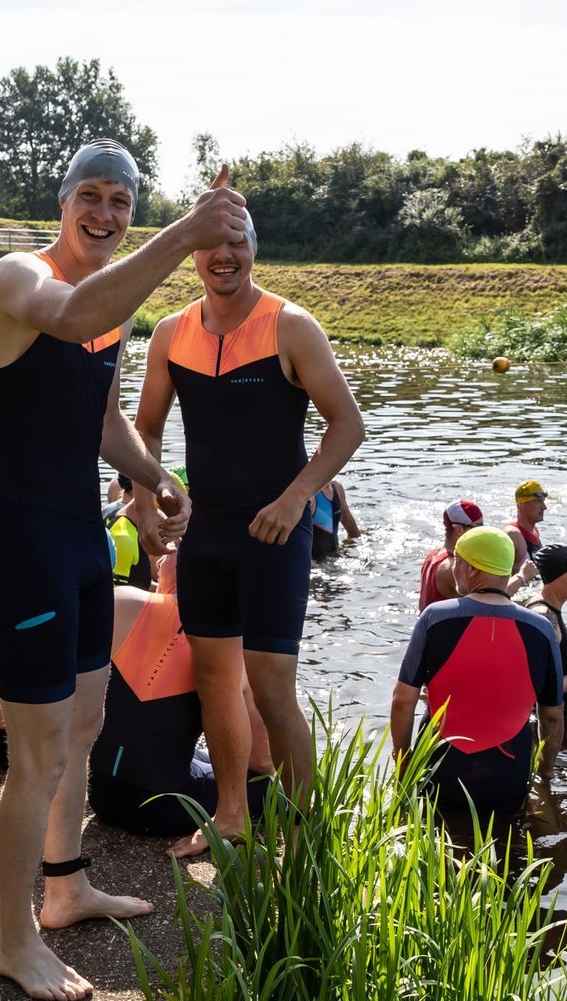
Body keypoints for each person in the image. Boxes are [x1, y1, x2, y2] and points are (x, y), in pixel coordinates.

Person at [0, 139, 250, 1001]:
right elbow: (68, 314)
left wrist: (154, 476)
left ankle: (66, 887)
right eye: (91, 197)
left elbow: (99, 418)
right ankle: (12, 939)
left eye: (121, 202)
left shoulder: (110, 309)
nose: (105, 214)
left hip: (81, 541)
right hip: (22, 546)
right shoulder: (19, 279)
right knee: (36, 750)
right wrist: (185, 233)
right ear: (64, 203)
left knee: (85, 723)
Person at [135, 183, 364, 860]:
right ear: (195, 254)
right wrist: (150, 496)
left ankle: (300, 834)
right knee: (214, 679)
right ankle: (231, 813)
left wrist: (297, 498)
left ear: (255, 249)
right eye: (212, 243)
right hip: (206, 536)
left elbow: (347, 424)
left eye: (238, 242)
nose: (224, 255)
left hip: (274, 533)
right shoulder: (172, 333)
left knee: (271, 691)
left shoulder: (290, 325)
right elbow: (145, 430)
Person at [90, 552, 275, 839]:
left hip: (100, 793)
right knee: (270, 784)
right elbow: (261, 762)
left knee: (199, 757)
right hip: (165, 809)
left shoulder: (120, 600)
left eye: (168, 554)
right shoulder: (229, 645)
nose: (160, 560)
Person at [390, 525, 563, 815]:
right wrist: (545, 771)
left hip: (440, 766)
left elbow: (402, 700)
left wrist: (403, 760)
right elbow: (552, 715)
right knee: (508, 851)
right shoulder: (541, 628)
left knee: (438, 847)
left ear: (471, 569)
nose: (452, 568)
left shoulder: (435, 618)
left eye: (457, 561)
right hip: (509, 772)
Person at [522, 544, 567, 729]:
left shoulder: (548, 610)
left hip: (559, 723)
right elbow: (535, 688)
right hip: (548, 729)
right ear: (554, 578)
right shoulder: (543, 616)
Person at [419, 499, 482, 610]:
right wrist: (521, 577)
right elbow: (487, 603)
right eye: (478, 527)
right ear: (459, 530)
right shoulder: (452, 567)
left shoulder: (432, 554)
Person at [504, 479, 549, 592]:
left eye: (543, 501)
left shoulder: (534, 531)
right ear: (521, 503)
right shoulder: (512, 535)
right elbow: (494, 580)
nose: (544, 507)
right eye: (538, 501)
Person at [309, 478, 361, 560]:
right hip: (314, 564)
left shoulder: (337, 487)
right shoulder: (309, 495)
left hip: (334, 557)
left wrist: (358, 546)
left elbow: (347, 520)